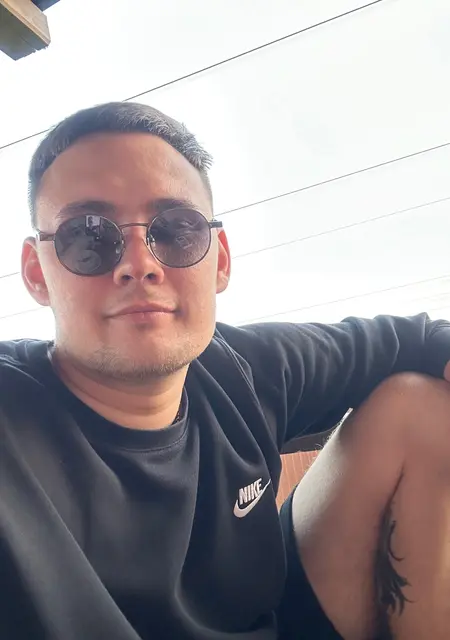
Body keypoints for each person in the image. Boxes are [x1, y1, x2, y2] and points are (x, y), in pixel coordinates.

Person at [1, 101, 450, 640]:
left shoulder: (241, 369)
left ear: (220, 260)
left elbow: (418, 337)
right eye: (88, 236)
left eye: (176, 230)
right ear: (37, 273)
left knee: (420, 408)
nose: (139, 264)